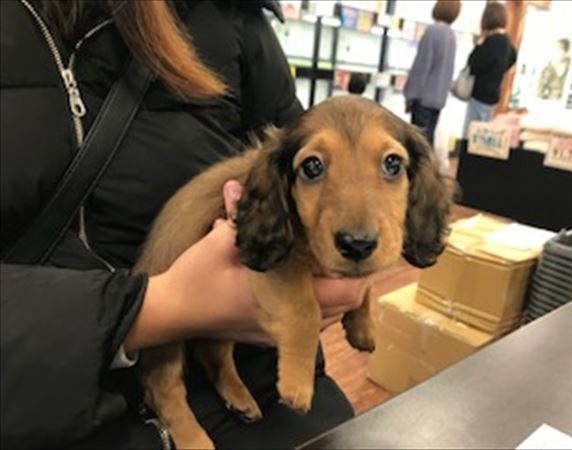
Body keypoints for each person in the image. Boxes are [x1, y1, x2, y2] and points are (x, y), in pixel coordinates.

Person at [0, 1, 365, 448]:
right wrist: (158, 309)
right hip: (48, 412)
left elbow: (307, 171)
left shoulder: (235, 18)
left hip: (261, 390)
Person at [403, 0, 461, 146]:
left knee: (418, 142)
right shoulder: (452, 36)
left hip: (424, 97)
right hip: (438, 98)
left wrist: (410, 95)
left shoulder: (432, 32)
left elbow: (421, 66)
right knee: (428, 139)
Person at [462, 1, 517, 137]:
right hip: (493, 96)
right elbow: (513, 57)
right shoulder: (507, 41)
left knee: (471, 135)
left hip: (480, 95)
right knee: (483, 135)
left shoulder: (490, 42)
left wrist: (478, 43)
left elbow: (473, 65)